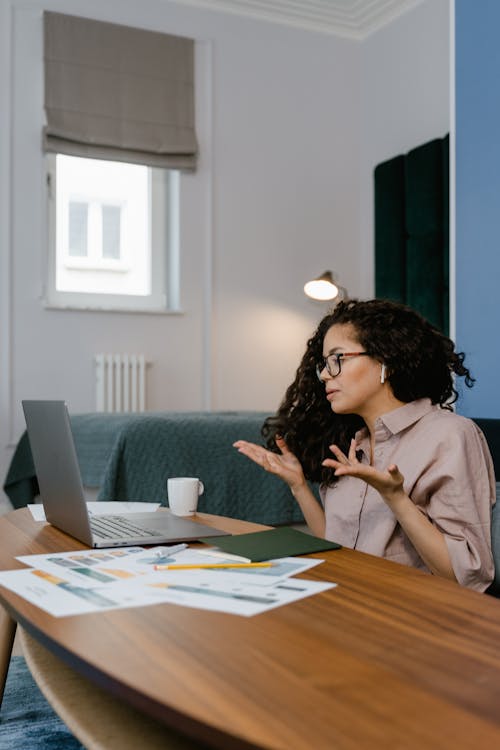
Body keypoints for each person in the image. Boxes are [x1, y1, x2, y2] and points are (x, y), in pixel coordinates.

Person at [234, 298, 496, 592]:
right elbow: (339, 550)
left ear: (386, 360)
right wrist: (298, 487)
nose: (323, 374)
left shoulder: (450, 435)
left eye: (338, 359)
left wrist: (395, 498)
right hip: (347, 600)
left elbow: (467, 578)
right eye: (324, 364)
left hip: (410, 616)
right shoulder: (352, 445)